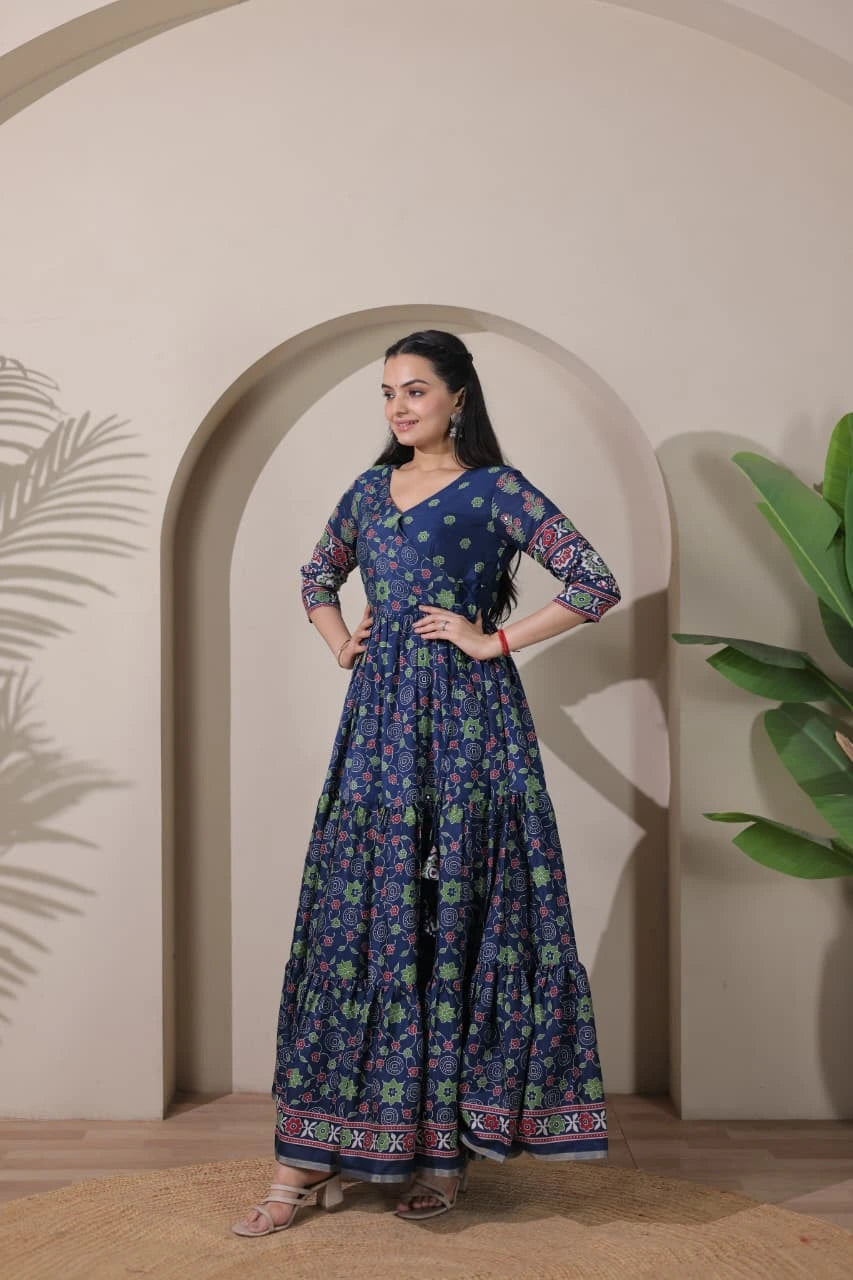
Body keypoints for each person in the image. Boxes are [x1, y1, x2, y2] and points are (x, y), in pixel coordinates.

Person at [232, 329, 621, 1237]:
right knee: (362, 920)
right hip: (378, 730)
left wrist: (493, 640)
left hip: (471, 730)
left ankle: (441, 1159)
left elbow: (592, 582)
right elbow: (317, 576)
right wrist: (341, 643)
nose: (398, 407)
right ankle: (302, 1163)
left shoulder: (497, 489)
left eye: (414, 390)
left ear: (457, 398)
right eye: (387, 393)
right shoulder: (370, 490)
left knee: (453, 918)